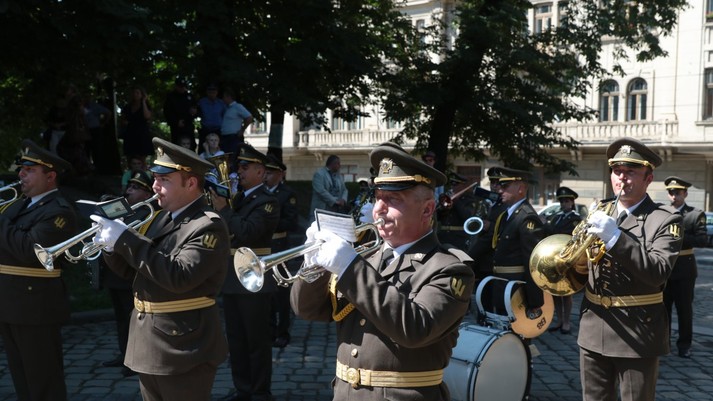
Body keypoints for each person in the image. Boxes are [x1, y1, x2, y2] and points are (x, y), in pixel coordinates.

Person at [291, 142, 475, 401]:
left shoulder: (449, 268)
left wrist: (348, 267)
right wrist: (313, 265)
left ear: (427, 209)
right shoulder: (367, 257)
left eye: (393, 199)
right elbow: (307, 310)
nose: (379, 208)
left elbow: (415, 328)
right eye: (378, 197)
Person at [91, 137, 230, 401]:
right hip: (149, 342)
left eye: (164, 179)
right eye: (155, 178)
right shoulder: (160, 218)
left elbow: (179, 276)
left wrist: (125, 240)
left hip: (184, 345)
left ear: (191, 183)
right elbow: (135, 272)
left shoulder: (207, 226)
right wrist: (111, 248)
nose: (155, 186)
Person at [579, 137, 683, 401]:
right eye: (617, 171)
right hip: (593, 326)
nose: (622, 178)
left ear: (648, 179)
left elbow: (658, 272)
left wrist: (615, 237)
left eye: (631, 172)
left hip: (637, 332)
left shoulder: (665, 219)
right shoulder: (601, 211)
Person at [0, 139, 78, 401]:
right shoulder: (20, 205)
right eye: (22, 169)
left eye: (30, 170)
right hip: (10, 302)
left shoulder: (60, 212)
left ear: (50, 176)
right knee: (22, 378)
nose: (21, 174)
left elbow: (28, 250)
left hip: (36, 305)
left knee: (43, 381)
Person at [211, 144, 280, 401]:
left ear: (260, 172)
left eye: (244, 167)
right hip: (232, 276)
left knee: (256, 340)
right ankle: (243, 389)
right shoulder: (238, 198)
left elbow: (248, 232)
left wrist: (224, 209)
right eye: (238, 166)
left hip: (254, 277)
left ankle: (260, 391)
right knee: (237, 340)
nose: (238, 171)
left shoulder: (268, 202)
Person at [97, 170, 160, 378]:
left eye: (135, 188)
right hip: (113, 272)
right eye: (129, 187)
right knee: (120, 318)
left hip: (130, 273)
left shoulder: (147, 214)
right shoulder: (123, 209)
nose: (129, 191)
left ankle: (135, 358)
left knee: (132, 318)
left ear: (146, 194)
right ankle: (124, 353)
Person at [468, 167, 545, 319]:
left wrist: (534, 302)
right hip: (501, 286)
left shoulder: (526, 217)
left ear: (520, 188)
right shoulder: (506, 215)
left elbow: (532, 262)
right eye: (500, 186)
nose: (500, 190)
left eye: (505, 186)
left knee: (515, 331)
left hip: (517, 289)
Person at [663, 176, 707, 358]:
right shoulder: (662, 213)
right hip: (665, 267)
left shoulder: (695, 215)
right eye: (671, 192)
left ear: (685, 194)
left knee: (684, 310)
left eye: (678, 192)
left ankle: (684, 345)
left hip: (684, 269)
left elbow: (702, 240)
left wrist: (680, 237)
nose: (674, 196)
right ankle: (663, 344)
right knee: (663, 310)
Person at [264, 155, 299, 348]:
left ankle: (283, 331)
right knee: (265, 292)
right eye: (265, 172)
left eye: (270, 173)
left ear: (280, 174)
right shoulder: (260, 192)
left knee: (281, 291)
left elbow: (291, 222)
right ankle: (269, 330)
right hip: (263, 245)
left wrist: (267, 223)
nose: (266, 176)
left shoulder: (287, 194)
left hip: (279, 245)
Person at [544, 186, 582, 335]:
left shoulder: (575, 219)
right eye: (561, 201)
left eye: (566, 201)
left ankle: (566, 322)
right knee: (555, 292)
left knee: (566, 292)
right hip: (554, 258)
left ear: (572, 202)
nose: (564, 204)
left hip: (566, 259)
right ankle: (559, 320)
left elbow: (568, 236)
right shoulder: (557, 217)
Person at [437, 172, 476, 251]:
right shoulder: (447, 198)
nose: (452, 187)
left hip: (458, 239)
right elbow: (436, 217)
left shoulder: (469, 200)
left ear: (463, 186)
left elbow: (467, 217)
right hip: (443, 237)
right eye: (451, 184)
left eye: (455, 184)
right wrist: (443, 208)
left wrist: (456, 201)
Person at [120, 86, 154, 161]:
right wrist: (125, 122)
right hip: (130, 133)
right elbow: (123, 119)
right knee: (130, 157)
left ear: (142, 94)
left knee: (142, 158)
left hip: (142, 133)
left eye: (137, 93)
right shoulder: (127, 106)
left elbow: (147, 116)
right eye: (134, 92)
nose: (135, 94)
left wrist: (144, 101)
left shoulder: (146, 105)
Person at [309, 154, 348, 219]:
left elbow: (344, 189)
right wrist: (335, 201)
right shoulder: (319, 174)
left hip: (336, 211)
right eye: (338, 163)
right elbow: (321, 191)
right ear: (332, 164)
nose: (340, 166)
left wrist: (343, 200)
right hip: (322, 210)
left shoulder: (339, 176)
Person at [163, 77, 197, 145]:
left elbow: (196, 109)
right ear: (176, 86)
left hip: (188, 125)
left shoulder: (190, 96)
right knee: (177, 145)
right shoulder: (170, 97)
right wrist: (176, 122)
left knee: (191, 145)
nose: (182, 88)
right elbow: (167, 112)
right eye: (180, 86)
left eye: (183, 86)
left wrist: (194, 112)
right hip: (176, 127)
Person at [220, 87, 253, 154]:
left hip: (233, 137)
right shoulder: (227, 108)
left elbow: (249, 117)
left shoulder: (237, 106)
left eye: (224, 97)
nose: (223, 99)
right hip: (225, 137)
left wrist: (242, 129)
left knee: (233, 156)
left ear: (229, 97)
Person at [197, 83, 226, 151]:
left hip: (218, 130)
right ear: (207, 92)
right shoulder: (202, 102)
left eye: (214, 92)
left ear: (217, 92)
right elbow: (197, 114)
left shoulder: (221, 103)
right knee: (202, 149)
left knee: (219, 149)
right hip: (205, 129)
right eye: (210, 92)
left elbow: (224, 115)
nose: (212, 94)